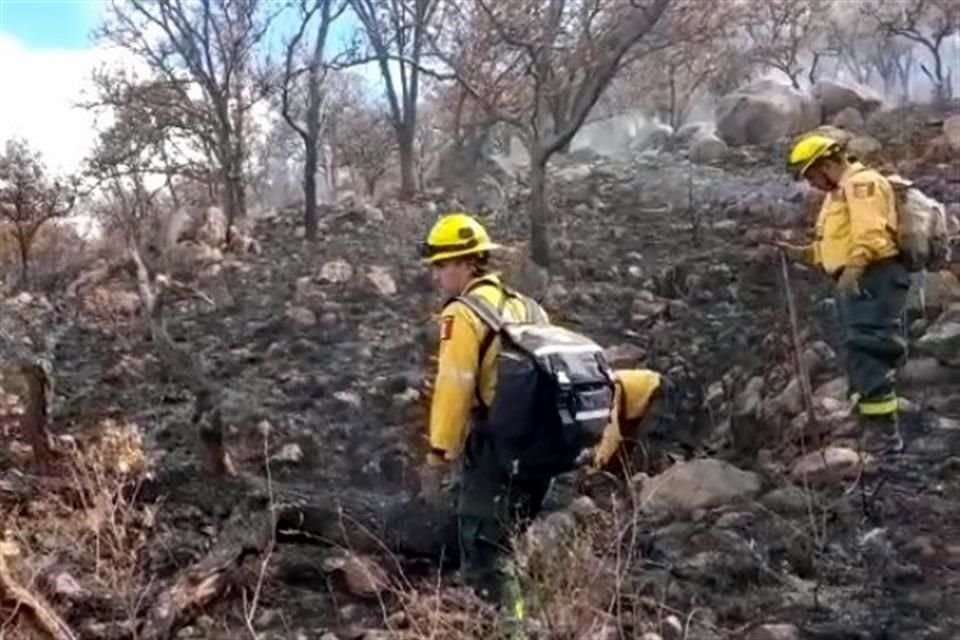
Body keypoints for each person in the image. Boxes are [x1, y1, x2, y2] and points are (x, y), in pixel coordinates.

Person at [419, 211, 551, 612]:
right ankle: (529, 615)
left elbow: (454, 385)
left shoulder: (463, 313)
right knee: (509, 543)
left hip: (497, 448)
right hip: (540, 449)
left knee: (485, 557)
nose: (438, 274)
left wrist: (440, 451)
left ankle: (515, 630)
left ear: (466, 262)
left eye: (442, 264)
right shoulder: (526, 307)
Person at [778, 133, 909, 450]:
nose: (811, 184)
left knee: (870, 348)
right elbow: (835, 246)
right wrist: (800, 253)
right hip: (856, 279)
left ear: (826, 164)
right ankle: (869, 419)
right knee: (856, 349)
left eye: (811, 175)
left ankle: (885, 434)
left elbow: (871, 234)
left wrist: (853, 271)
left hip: (872, 277)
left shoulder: (862, 184)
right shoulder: (837, 195)